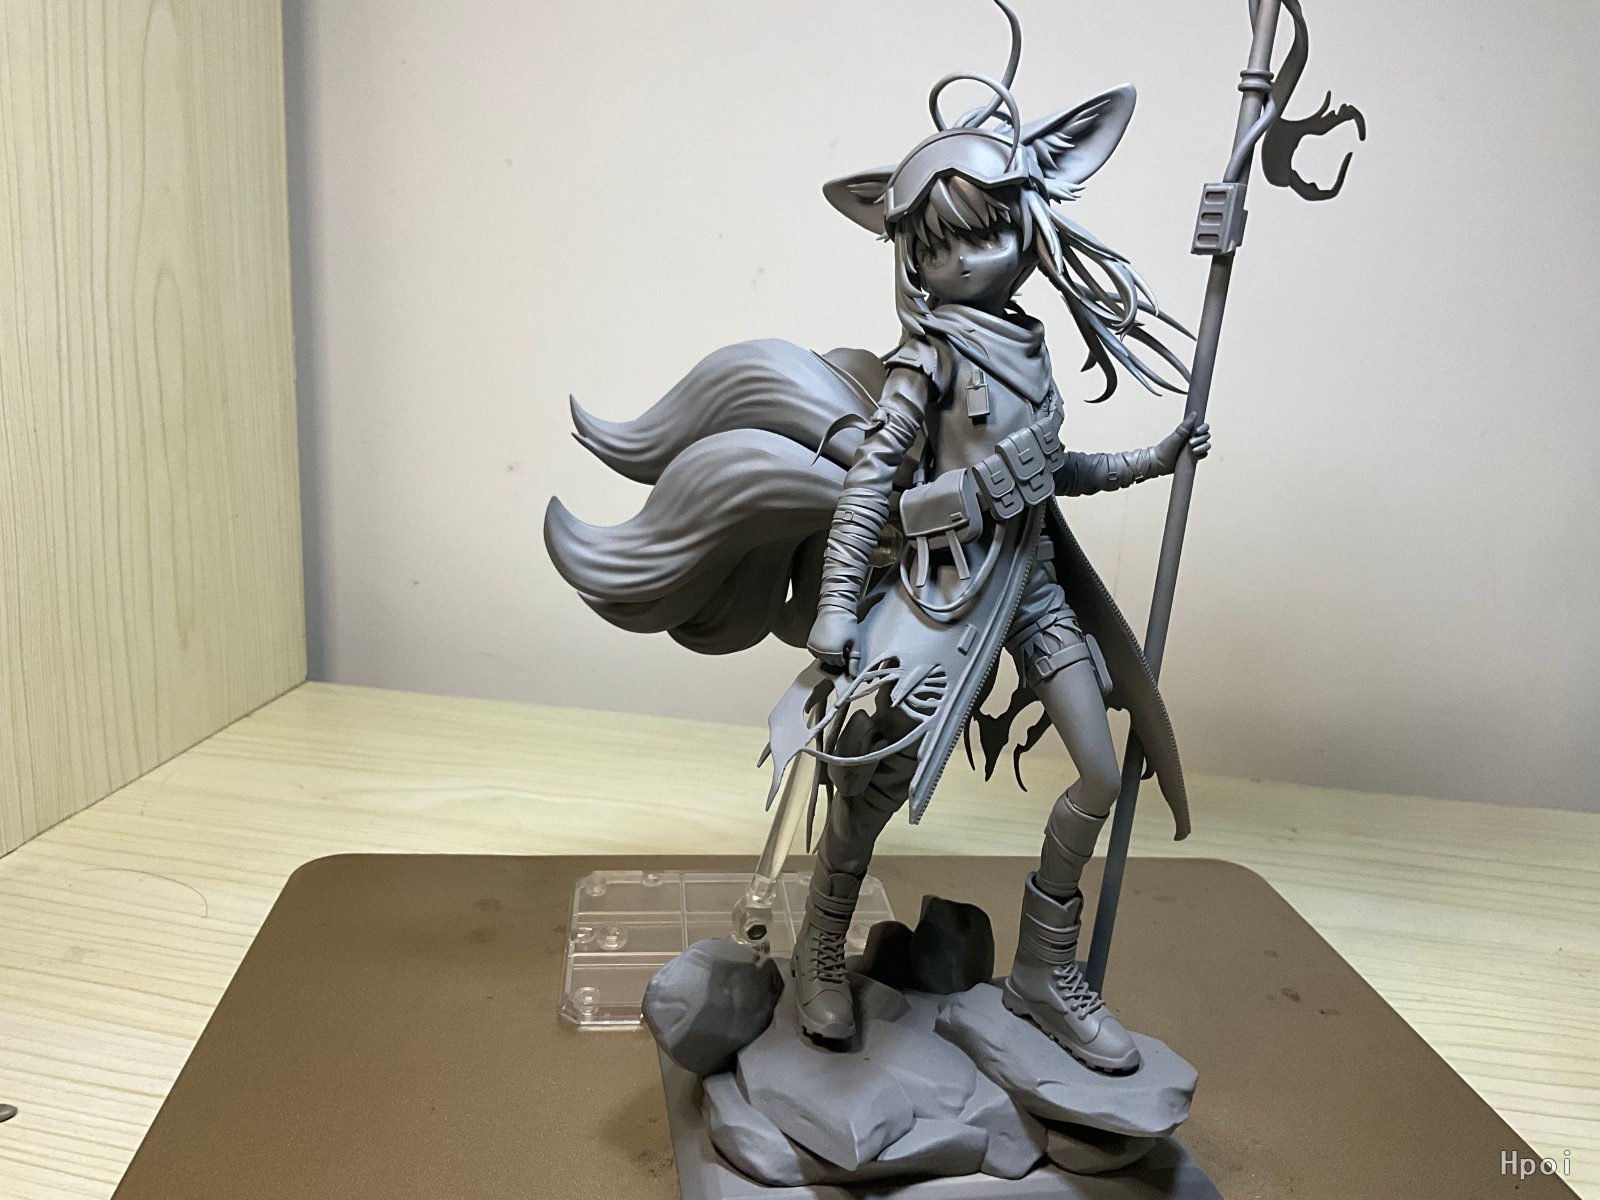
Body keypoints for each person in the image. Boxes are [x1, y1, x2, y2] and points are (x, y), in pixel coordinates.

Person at [546, 0, 1207, 1076]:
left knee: (1096, 771)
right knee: (867, 792)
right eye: (938, 245)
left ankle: (1045, 972)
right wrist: (839, 616)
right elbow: (866, 493)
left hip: (1031, 589)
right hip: (939, 596)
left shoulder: (1028, 346)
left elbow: (1053, 473)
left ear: (1027, 221)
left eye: (983, 233)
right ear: (908, 251)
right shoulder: (924, 364)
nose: (965, 261)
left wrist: (1156, 457)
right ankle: (819, 947)